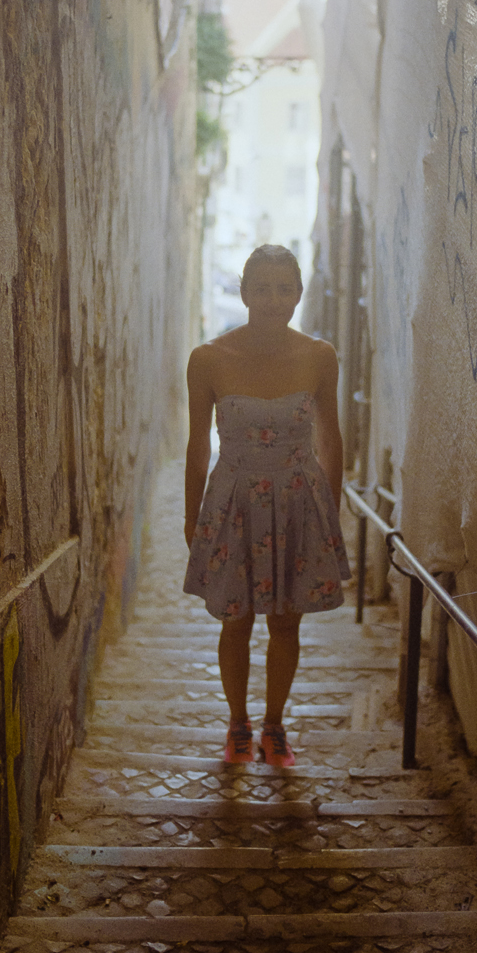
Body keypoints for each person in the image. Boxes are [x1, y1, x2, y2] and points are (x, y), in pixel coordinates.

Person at [183, 245, 350, 766]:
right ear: (243, 292)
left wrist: (330, 515)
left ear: (298, 293)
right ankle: (238, 723)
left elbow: (331, 438)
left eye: (284, 289)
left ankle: (274, 725)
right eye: (262, 288)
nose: (273, 300)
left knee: (285, 623)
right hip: (233, 503)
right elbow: (197, 445)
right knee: (235, 620)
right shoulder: (209, 359)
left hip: (299, 504)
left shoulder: (320, 357)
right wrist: (191, 518)